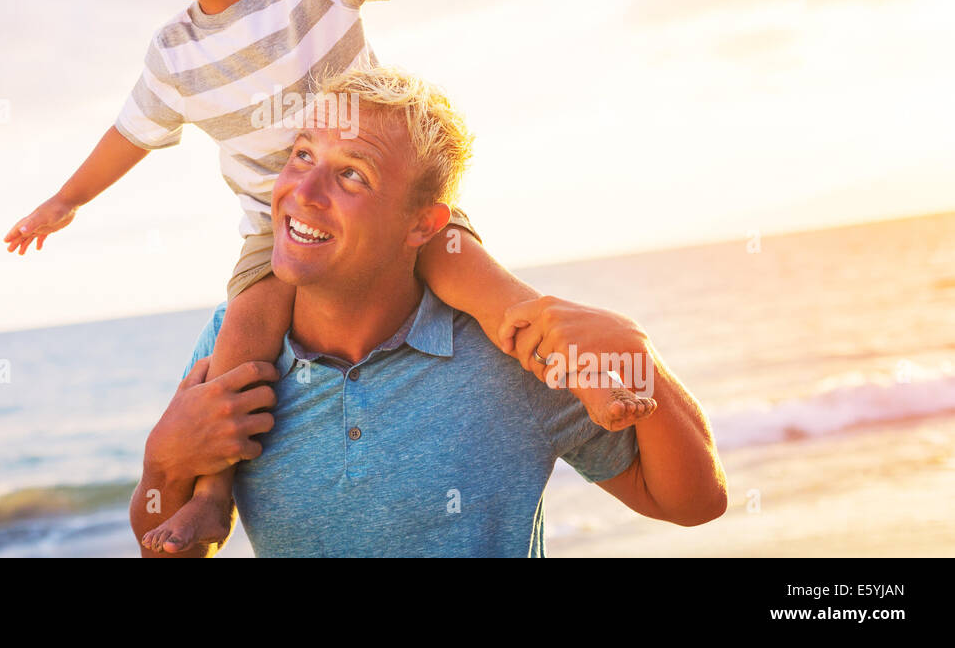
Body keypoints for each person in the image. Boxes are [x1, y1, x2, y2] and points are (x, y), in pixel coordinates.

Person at [5, 0, 653, 555]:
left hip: (383, 197)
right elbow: (129, 133)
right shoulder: (173, 55)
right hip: (275, 233)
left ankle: (590, 379)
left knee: (487, 289)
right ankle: (216, 497)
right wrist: (67, 200)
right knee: (240, 357)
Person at [129, 64, 728, 557]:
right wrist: (164, 459)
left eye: (353, 176)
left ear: (423, 225)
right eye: (303, 156)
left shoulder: (506, 354)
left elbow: (690, 503)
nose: (303, 195)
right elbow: (169, 543)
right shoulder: (236, 341)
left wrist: (636, 355)